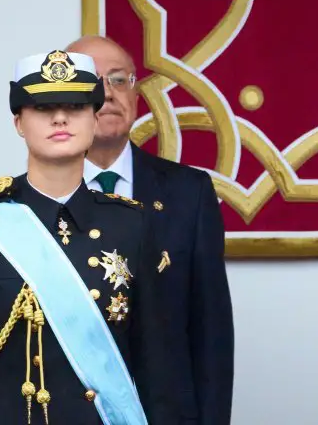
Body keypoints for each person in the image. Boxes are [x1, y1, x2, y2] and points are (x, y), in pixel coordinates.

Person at [0, 49, 175, 424]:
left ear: (95, 119)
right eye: (43, 108)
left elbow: (156, 368)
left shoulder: (133, 226)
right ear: (18, 122)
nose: (60, 117)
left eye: (75, 106)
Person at [67, 35, 235, 424]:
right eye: (91, 81)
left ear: (137, 94)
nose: (107, 93)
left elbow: (211, 336)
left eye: (118, 80)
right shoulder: (30, 201)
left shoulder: (189, 193)